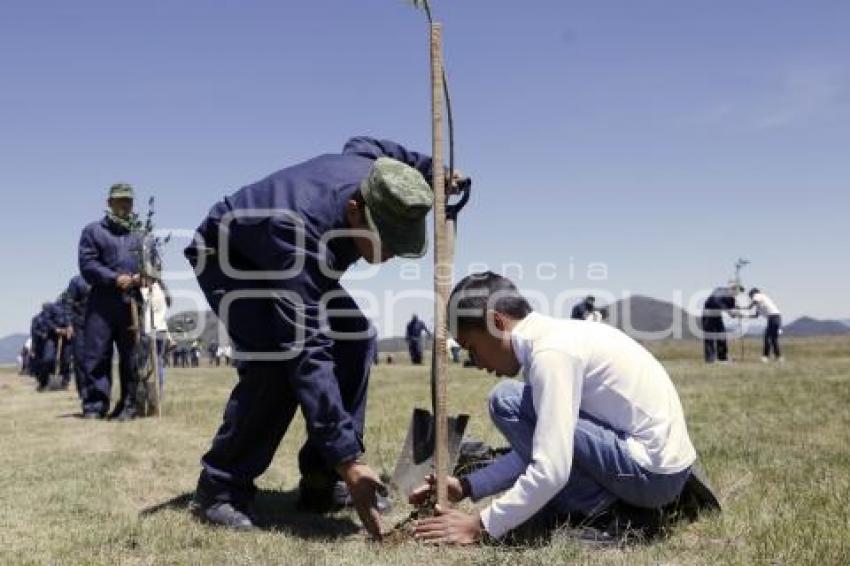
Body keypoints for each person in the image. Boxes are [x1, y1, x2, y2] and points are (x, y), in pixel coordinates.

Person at [184, 136, 448, 537]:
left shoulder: (370, 168)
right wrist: (350, 458)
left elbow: (365, 141)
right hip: (231, 257)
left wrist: (433, 170)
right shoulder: (297, 237)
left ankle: (321, 482)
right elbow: (307, 352)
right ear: (355, 210)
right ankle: (220, 489)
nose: (391, 253)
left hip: (289, 250)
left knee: (356, 338)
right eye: (387, 240)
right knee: (275, 365)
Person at [411, 272, 698, 544]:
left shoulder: (551, 355)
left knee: (506, 400)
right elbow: (539, 450)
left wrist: (479, 526)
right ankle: (607, 501)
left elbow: (551, 468)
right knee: (518, 405)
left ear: (496, 323)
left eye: (472, 348)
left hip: (651, 476)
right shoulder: (555, 338)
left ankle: (609, 514)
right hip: (666, 471)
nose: (478, 362)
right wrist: (466, 486)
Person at [78, 183, 143, 420]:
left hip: (132, 303)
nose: (124, 205)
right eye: (120, 200)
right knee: (97, 354)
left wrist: (145, 277)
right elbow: (88, 265)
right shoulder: (93, 231)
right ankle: (95, 406)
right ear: (109, 203)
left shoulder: (140, 235)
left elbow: (154, 264)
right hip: (102, 303)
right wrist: (115, 278)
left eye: (128, 200)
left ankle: (129, 405)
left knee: (131, 355)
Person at [140, 277, 173, 397]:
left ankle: (147, 391)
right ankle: (159, 390)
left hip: (150, 330)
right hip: (162, 330)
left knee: (143, 362)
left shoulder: (148, 291)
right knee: (158, 362)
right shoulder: (163, 291)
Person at [62, 275, 91, 397]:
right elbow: (68, 303)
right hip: (79, 325)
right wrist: (69, 324)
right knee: (80, 359)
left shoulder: (101, 278)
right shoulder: (76, 281)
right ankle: (84, 393)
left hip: (98, 324)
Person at [700, 282, 742, 364]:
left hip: (717, 315)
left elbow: (732, 308)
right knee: (709, 337)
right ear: (732, 289)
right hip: (708, 314)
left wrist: (736, 311)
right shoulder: (720, 291)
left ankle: (722, 358)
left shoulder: (731, 298)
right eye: (736, 291)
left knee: (722, 336)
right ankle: (710, 360)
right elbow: (716, 300)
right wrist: (729, 311)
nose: (737, 293)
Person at [746, 288, 783, 363]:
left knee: (767, 338)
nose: (751, 298)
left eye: (750, 296)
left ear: (753, 293)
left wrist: (745, 308)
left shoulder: (758, 295)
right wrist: (744, 316)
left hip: (773, 317)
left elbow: (752, 304)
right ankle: (778, 357)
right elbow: (756, 316)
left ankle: (765, 357)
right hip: (775, 317)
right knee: (773, 339)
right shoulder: (760, 303)